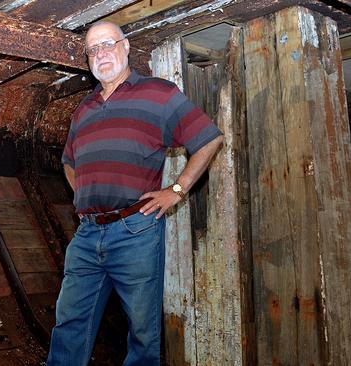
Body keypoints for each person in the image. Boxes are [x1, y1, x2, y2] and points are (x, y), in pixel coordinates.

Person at [46, 21, 224, 366]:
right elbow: (69, 162)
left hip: (135, 230)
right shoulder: (84, 109)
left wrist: (176, 189)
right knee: (69, 324)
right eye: (93, 50)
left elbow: (209, 138)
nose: (101, 54)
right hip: (87, 235)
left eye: (108, 44)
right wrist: (81, 193)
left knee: (143, 332)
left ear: (125, 47)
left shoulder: (159, 93)